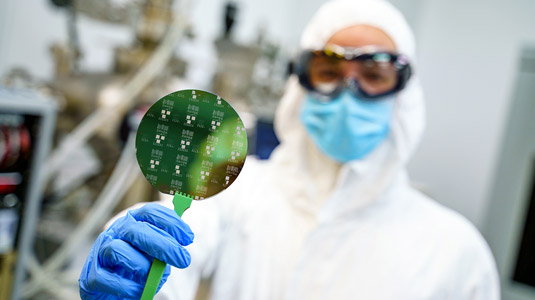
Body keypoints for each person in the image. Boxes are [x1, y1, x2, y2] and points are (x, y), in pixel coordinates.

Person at [79, 0, 500, 299]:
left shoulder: (455, 253)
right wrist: (136, 273)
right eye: (329, 70)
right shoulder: (231, 193)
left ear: (404, 93)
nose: (348, 92)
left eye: (373, 74)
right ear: (301, 82)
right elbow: (179, 250)